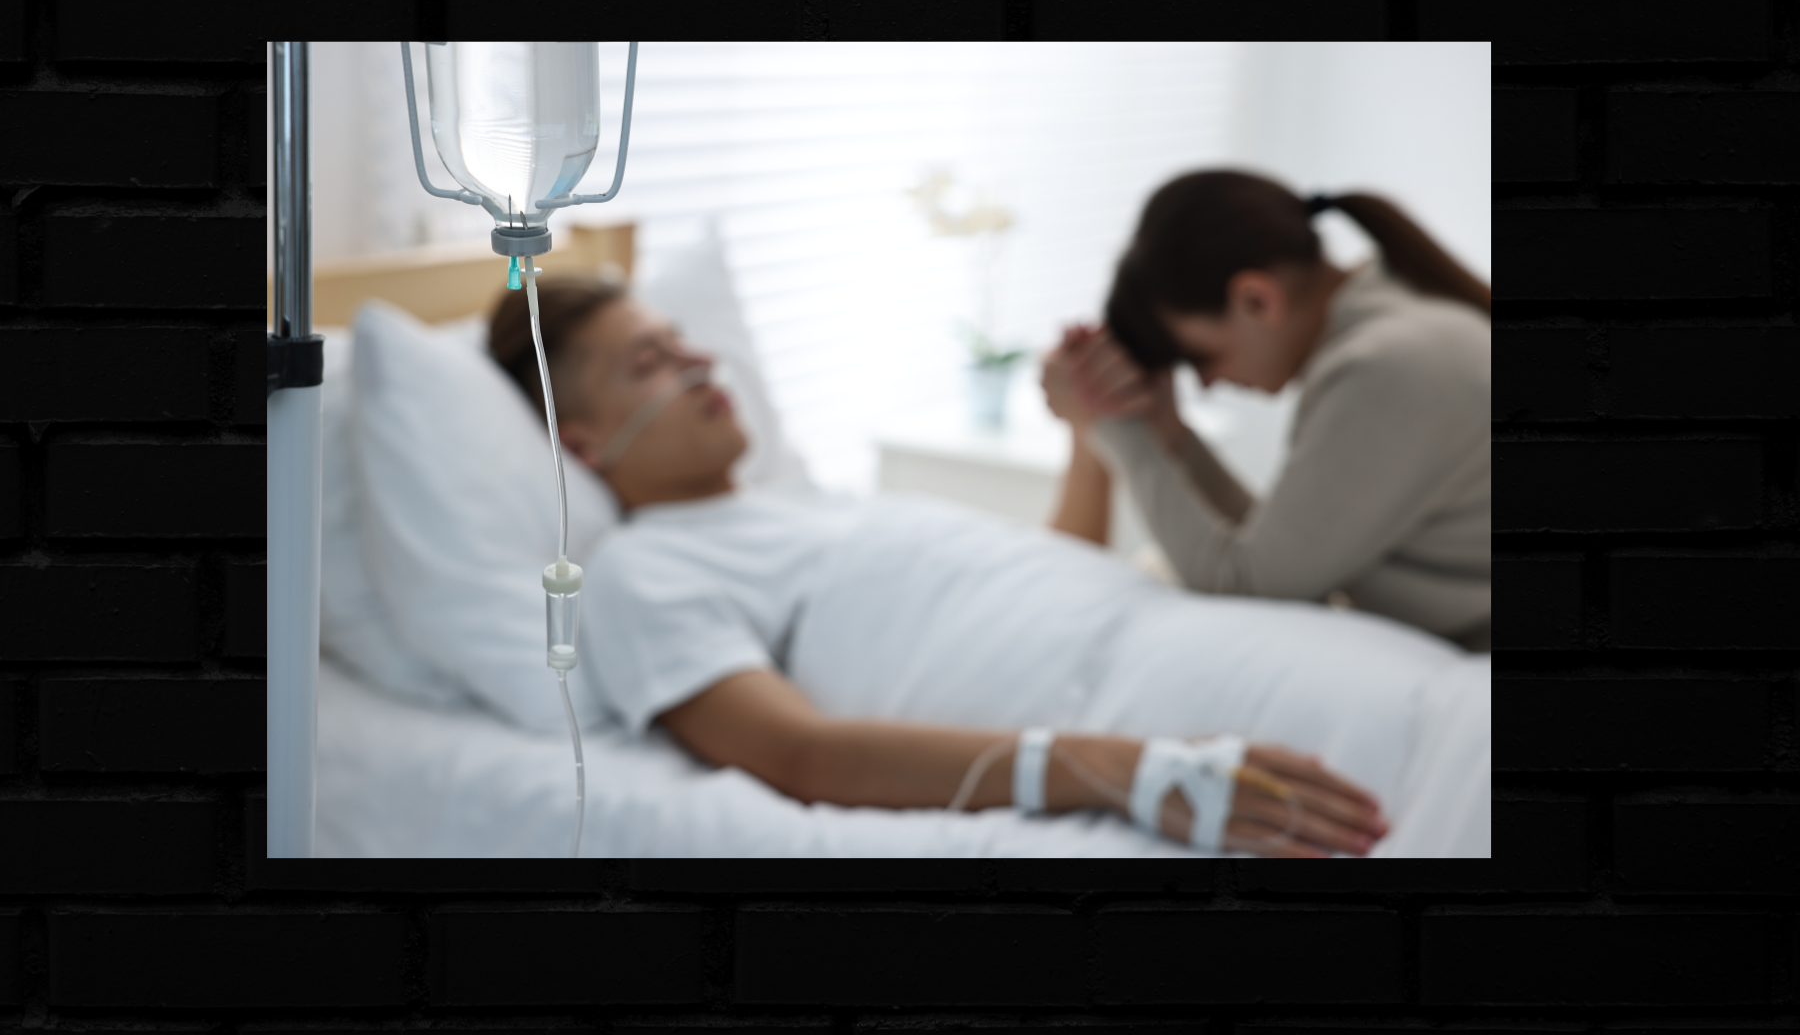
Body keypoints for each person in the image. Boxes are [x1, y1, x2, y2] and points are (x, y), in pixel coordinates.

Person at [488, 274, 1394, 858]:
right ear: (585, 444)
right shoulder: (643, 571)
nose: (697, 362)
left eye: (682, 339)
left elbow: (1046, 582)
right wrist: (1125, 767)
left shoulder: (806, 503)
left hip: (1186, 636)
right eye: (651, 362)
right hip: (1148, 715)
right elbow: (796, 755)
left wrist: (1088, 439)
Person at [1041, 169, 1491, 649]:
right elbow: (1285, 553)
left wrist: (1114, 421)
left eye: (1201, 359)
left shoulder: (1384, 367)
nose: (1207, 384)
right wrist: (1168, 430)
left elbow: (1245, 582)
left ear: (1255, 300)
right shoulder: (1398, 319)